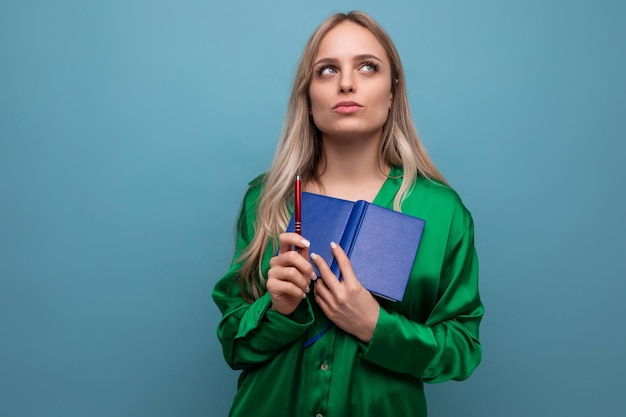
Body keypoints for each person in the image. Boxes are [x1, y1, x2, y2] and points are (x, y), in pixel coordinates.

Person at [212, 11, 483, 417]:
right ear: (308, 96)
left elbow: (462, 348)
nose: (346, 83)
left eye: (367, 67)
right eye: (327, 70)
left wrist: (377, 327)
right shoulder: (266, 201)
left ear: (392, 93)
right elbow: (234, 344)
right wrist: (278, 308)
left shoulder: (442, 213)